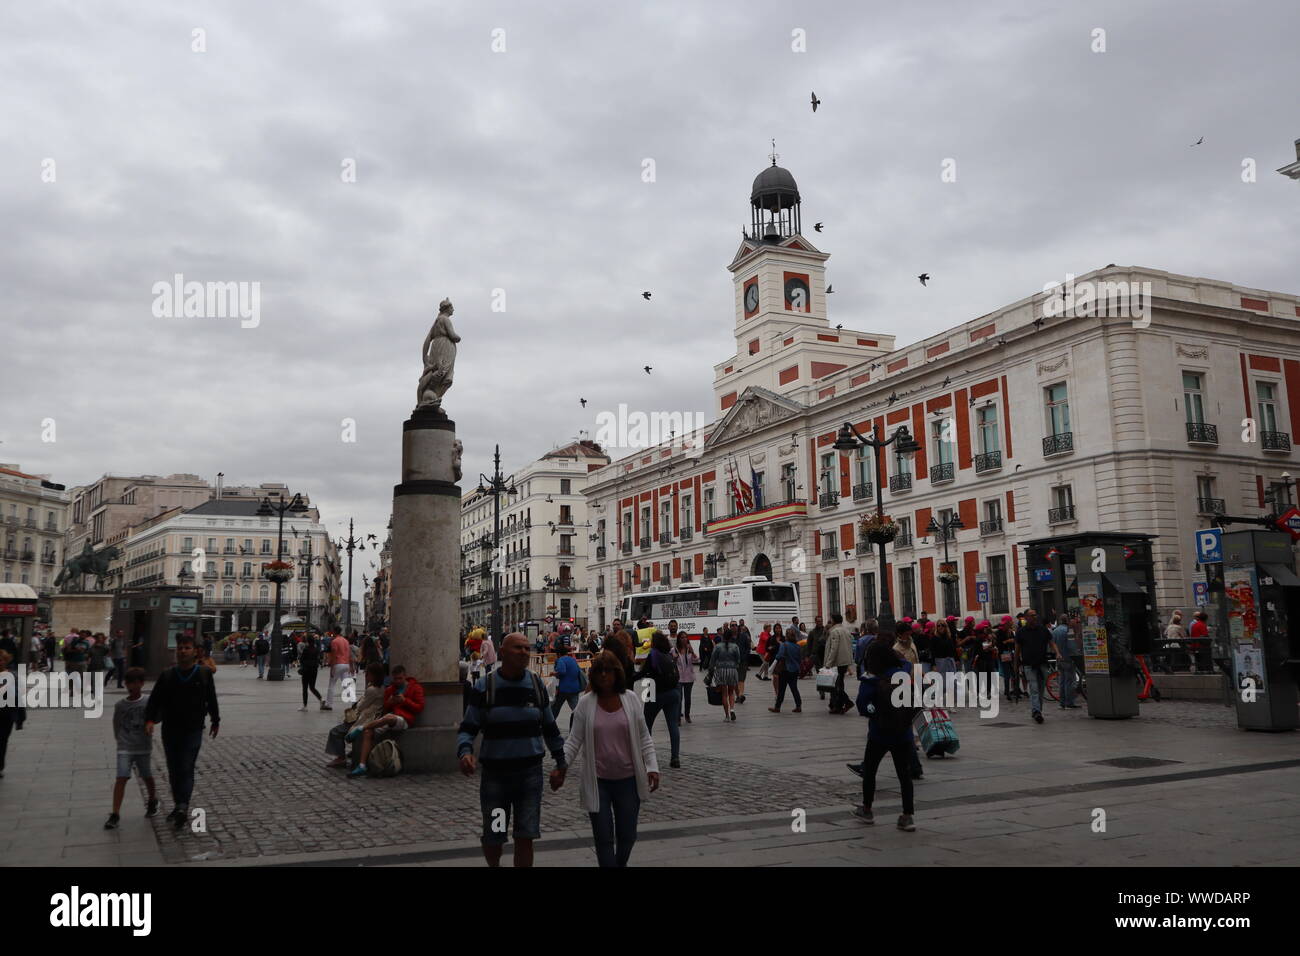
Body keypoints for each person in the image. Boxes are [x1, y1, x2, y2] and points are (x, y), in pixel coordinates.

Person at [457, 633, 567, 868]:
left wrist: (561, 761)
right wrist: (465, 751)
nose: (525, 652)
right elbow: (468, 727)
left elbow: (549, 726)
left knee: (525, 835)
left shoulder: (536, 684)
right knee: (494, 835)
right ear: (503, 652)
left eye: (527, 648)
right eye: (518, 648)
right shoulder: (485, 686)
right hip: (496, 776)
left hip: (530, 774)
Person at [555, 650, 659, 867]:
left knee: (628, 835)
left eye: (608, 671)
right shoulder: (585, 703)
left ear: (616, 673)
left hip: (629, 779)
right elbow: (574, 740)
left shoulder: (631, 700)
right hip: (598, 780)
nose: (604, 675)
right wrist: (561, 766)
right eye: (599, 671)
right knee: (603, 837)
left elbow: (644, 737)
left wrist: (652, 766)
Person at [144, 634, 220, 827]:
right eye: (180, 648)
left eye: (187, 648)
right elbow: (155, 699)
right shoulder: (167, 675)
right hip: (170, 728)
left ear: (195, 651)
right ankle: (179, 804)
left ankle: (182, 806)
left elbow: (211, 698)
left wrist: (215, 720)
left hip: (193, 728)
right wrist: (150, 719)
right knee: (173, 769)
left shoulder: (203, 673)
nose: (183, 651)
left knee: (186, 767)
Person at [852, 640, 917, 831]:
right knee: (904, 775)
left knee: (870, 772)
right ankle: (907, 816)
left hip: (879, 733)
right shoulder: (902, 673)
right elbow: (906, 663)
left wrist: (875, 713)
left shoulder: (871, 680)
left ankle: (867, 809)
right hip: (903, 733)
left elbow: (863, 705)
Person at [105, 667, 159, 829]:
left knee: (146, 775)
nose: (131, 686)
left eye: (134, 683)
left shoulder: (148, 701)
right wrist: (120, 741)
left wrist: (151, 725)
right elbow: (117, 724)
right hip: (125, 746)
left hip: (143, 746)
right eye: (128, 683)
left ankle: (152, 799)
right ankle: (115, 813)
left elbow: (155, 717)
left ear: (141, 684)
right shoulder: (120, 705)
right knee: (121, 778)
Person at [349, 665, 425, 776]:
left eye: (400, 678)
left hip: (405, 719)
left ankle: (361, 727)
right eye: (395, 679)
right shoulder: (390, 689)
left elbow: (419, 707)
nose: (397, 681)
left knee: (389, 718)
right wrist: (389, 702)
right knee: (368, 732)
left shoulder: (415, 688)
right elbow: (385, 709)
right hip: (387, 719)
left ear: (405, 677)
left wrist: (404, 700)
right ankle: (362, 765)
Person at [635, 630, 682, 767]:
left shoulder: (653, 654)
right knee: (673, 725)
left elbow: (642, 673)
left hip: (654, 690)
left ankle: (647, 756)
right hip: (673, 692)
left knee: (647, 724)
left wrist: (629, 678)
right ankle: (675, 757)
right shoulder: (668, 654)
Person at [327, 664, 385, 768]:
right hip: (370, 717)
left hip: (364, 719)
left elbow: (361, 706)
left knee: (335, 731)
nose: (366, 676)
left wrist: (354, 709)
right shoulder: (381, 688)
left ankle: (341, 758)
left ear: (374, 676)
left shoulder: (372, 689)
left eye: (368, 674)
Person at [1015, 609, 1055, 724]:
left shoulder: (1042, 629)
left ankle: (1037, 710)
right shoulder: (1021, 632)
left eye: (1035, 615)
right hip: (1029, 665)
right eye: (1032, 615)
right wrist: (1016, 665)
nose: (1035, 617)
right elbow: (1017, 650)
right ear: (1026, 617)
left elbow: (1051, 642)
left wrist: (1057, 652)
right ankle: (1037, 711)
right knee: (1034, 688)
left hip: (1042, 663)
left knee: (1041, 689)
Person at [823, 612, 855, 714]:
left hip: (837, 662)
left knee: (836, 685)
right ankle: (838, 706)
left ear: (833, 620)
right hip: (845, 661)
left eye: (831, 619)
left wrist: (828, 663)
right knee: (840, 683)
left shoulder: (834, 631)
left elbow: (834, 648)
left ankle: (848, 702)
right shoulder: (846, 630)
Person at [707, 627, 741, 721]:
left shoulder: (717, 646)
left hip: (721, 671)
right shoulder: (735, 646)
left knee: (724, 694)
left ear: (722, 636)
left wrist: (711, 670)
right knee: (731, 692)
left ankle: (727, 716)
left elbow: (712, 660)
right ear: (731, 637)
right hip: (732, 670)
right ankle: (732, 710)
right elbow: (738, 660)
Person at [768, 626, 804, 713]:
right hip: (794, 670)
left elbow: (779, 656)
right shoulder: (797, 646)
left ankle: (777, 707)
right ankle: (798, 706)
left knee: (781, 689)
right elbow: (800, 659)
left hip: (785, 669)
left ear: (787, 636)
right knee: (794, 688)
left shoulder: (784, 645)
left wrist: (772, 667)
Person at [0, 650, 24, 779]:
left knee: (2, 741)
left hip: (6, 714)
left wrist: (21, 717)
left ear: (6, 661)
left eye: (1, 660)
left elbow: (18, 697)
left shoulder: (13, 676)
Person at [1051, 613, 1080, 708]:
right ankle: (1069, 702)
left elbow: (1052, 645)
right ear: (1067, 620)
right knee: (1070, 681)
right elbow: (1071, 645)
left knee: (1062, 681)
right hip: (1068, 658)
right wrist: (1076, 655)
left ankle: (1062, 702)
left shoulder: (1055, 630)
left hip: (1059, 658)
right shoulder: (1068, 630)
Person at [550, 644, 583, 727]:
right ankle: (580, 725)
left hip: (564, 689)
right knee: (576, 710)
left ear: (558, 654)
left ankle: (549, 725)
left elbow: (562, 671)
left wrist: (553, 673)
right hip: (575, 688)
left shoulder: (561, 660)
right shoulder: (572, 660)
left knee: (555, 708)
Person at [323, 630, 352, 711]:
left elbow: (334, 655)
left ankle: (329, 704)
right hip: (346, 664)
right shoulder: (346, 641)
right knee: (346, 684)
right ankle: (352, 702)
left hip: (338, 664)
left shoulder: (334, 641)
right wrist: (350, 666)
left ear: (335, 633)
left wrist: (332, 668)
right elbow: (348, 654)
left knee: (331, 684)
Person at [673, 631, 699, 723]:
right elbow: (670, 662)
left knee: (688, 698)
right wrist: (674, 658)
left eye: (685, 637)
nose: (684, 639)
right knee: (679, 698)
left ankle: (687, 715)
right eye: (682, 637)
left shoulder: (689, 649)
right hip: (679, 677)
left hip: (689, 677)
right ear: (679, 639)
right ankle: (678, 717)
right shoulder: (674, 650)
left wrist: (692, 652)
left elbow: (696, 660)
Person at [996, 616, 1021, 702]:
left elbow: (1015, 641)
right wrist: (1008, 641)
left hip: (1011, 653)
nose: (1011, 623)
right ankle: (1007, 692)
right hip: (1004, 654)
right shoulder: (1000, 632)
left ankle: (1015, 690)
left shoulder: (1011, 631)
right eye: (1010, 622)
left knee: (1014, 672)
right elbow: (999, 644)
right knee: (1007, 673)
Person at [298, 631, 324, 710]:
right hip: (314, 670)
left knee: (305, 688)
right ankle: (321, 699)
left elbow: (302, 659)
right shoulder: (316, 649)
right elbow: (318, 659)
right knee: (312, 687)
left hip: (306, 670)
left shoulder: (306, 649)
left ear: (308, 641)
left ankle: (305, 706)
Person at [734, 622, 751, 704]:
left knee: (741, 679)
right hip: (732, 662)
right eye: (732, 625)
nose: (734, 627)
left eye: (735, 625)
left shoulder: (744, 636)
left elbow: (748, 647)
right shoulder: (728, 637)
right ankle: (738, 695)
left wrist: (744, 656)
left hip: (742, 661)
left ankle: (740, 695)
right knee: (734, 680)